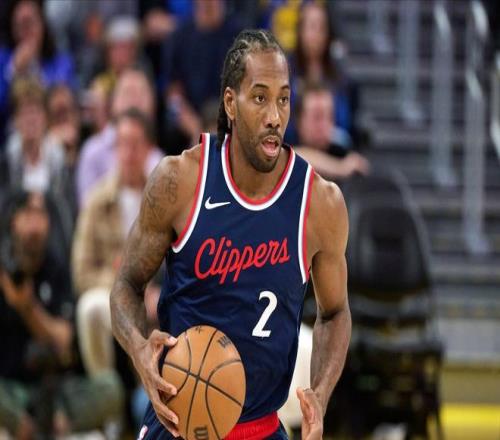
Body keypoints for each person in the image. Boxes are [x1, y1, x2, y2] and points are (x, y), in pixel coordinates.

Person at [110, 29, 351, 439]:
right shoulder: (180, 181)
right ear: (230, 103)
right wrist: (138, 347)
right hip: (177, 423)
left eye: (283, 99)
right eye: (259, 98)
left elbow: (335, 313)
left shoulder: (320, 204)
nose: (274, 116)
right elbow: (126, 285)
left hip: (262, 428)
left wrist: (321, 395)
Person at [0, 189, 123, 438]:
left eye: (41, 214)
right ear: (13, 221)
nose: (35, 224)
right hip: (10, 389)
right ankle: (23, 426)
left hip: (55, 389)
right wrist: (13, 417)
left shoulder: (56, 266)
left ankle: (57, 424)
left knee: (111, 388)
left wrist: (27, 307)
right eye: (28, 213)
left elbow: (64, 341)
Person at [295, 82, 369, 180]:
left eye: (329, 116)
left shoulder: (340, 150)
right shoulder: (285, 144)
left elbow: (359, 164)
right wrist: (340, 168)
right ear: (299, 120)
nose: (324, 125)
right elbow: (296, 157)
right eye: (317, 117)